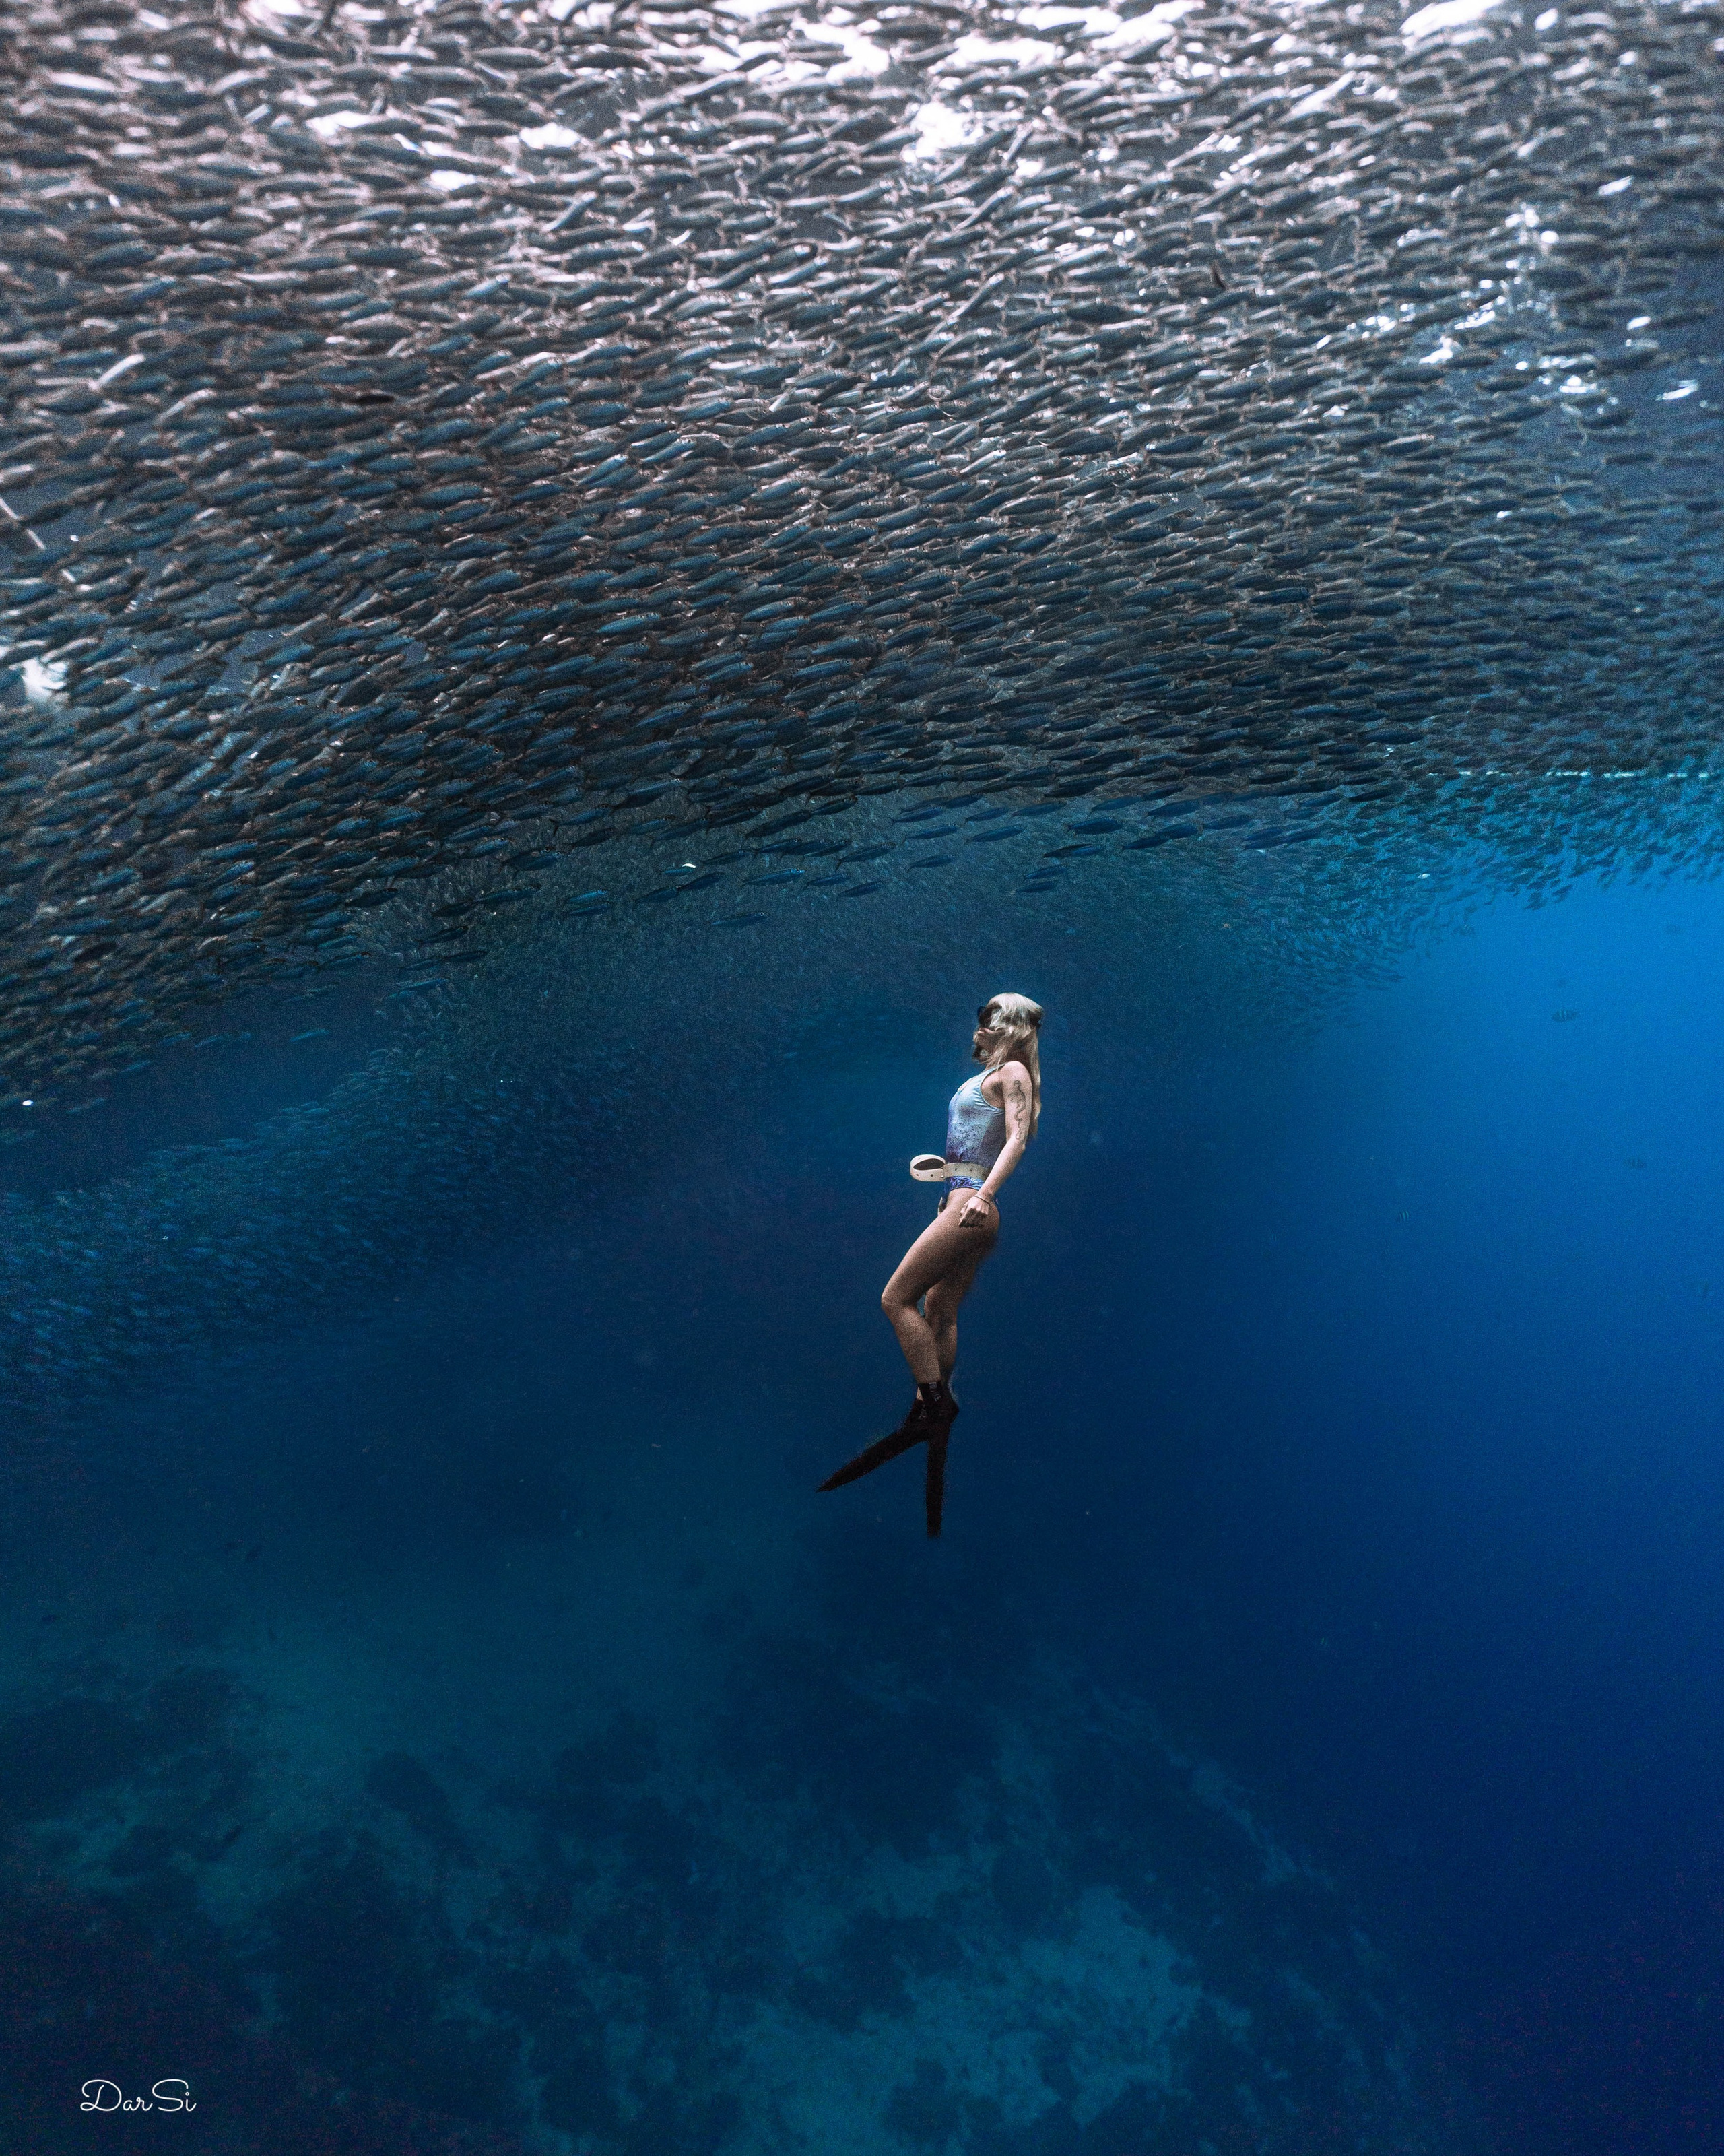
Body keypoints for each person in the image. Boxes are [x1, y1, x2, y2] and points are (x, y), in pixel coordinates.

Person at [818, 992, 1044, 1534]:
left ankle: (933, 1404)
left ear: (1006, 1026)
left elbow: (1017, 1140)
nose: (978, 1025)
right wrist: (949, 1177)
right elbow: (981, 1143)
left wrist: (983, 1194)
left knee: (894, 1299)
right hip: (960, 1198)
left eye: (987, 1017)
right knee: (939, 1309)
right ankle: (933, 1410)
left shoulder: (1012, 1071)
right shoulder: (993, 1074)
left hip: (972, 1205)